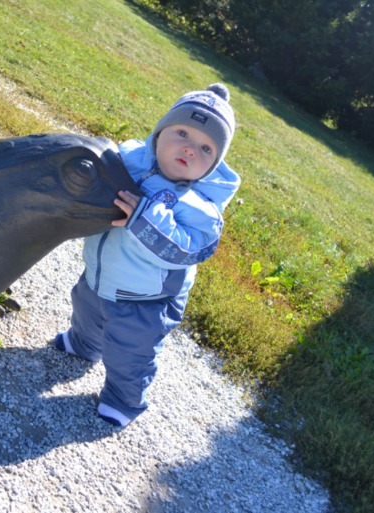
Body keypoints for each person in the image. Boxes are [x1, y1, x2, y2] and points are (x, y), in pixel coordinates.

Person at [54, 84, 241, 427]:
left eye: (205, 147)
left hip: (146, 300)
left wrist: (145, 219)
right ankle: (83, 344)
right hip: (100, 275)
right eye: (182, 132)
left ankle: (124, 401)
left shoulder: (200, 209)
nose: (189, 148)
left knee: (131, 355)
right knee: (86, 311)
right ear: (158, 135)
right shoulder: (129, 162)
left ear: (214, 164)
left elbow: (189, 249)